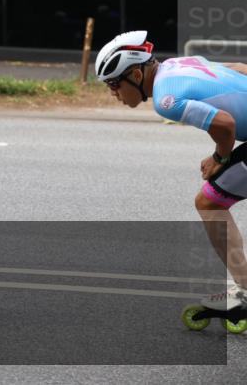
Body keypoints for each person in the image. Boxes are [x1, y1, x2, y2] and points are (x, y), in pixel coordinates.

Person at [95, 30, 247, 312]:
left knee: (210, 203)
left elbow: (225, 124)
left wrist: (219, 158)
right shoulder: (178, 64)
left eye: (114, 83)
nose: (113, 92)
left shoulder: (166, 99)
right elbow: (237, 69)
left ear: (137, 76)